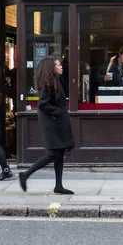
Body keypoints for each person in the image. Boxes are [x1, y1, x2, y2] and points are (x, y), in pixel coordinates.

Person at [16, 56, 75, 195]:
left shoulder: (54, 81)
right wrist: (59, 112)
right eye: (59, 65)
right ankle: (25, 174)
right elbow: (43, 104)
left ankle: (58, 186)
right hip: (52, 124)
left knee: (59, 154)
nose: (61, 67)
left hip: (57, 122)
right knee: (53, 154)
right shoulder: (48, 85)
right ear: (52, 68)